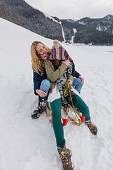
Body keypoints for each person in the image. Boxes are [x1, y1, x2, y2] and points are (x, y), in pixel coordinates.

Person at [41, 41, 97, 170]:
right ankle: (62, 149)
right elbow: (52, 77)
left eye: (60, 49)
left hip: (67, 89)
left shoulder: (66, 59)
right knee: (56, 114)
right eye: (56, 49)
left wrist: (71, 78)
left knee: (85, 108)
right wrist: (63, 66)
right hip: (55, 90)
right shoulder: (48, 62)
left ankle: (88, 121)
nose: (59, 52)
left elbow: (71, 71)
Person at [31, 41, 84, 119]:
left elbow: (65, 66)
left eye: (44, 47)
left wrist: (78, 75)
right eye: (41, 50)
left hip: (60, 80)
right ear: (37, 54)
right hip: (50, 85)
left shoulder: (53, 53)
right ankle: (42, 105)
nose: (44, 50)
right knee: (45, 82)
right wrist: (37, 90)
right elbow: (36, 78)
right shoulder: (37, 64)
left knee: (79, 81)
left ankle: (74, 99)